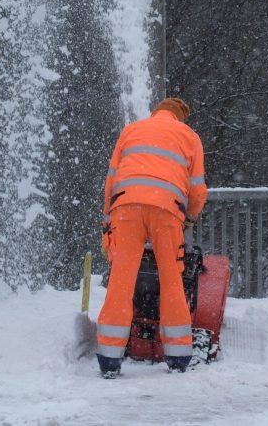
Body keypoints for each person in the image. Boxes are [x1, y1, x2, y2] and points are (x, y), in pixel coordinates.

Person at [96, 97, 208, 378]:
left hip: (126, 206)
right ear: (180, 117)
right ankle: (178, 357)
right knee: (172, 279)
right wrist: (190, 217)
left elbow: (111, 178)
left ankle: (109, 359)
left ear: (157, 112)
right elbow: (196, 189)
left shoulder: (131, 130)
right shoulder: (189, 136)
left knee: (121, 281)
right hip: (167, 208)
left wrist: (108, 216)